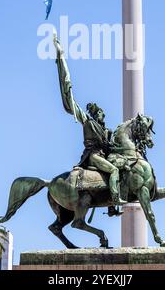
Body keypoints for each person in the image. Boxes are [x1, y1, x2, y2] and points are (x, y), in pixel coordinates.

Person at [53, 34, 126, 210]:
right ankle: (115, 200)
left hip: (103, 155)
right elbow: (71, 102)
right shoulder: (88, 122)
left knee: (122, 170)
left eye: (102, 112)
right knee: (114, 171)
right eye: (99, 112)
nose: (102, 114)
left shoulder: (107, 131)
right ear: (95, 114)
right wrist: (61, 58)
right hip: (93, 157)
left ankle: (109, 203)